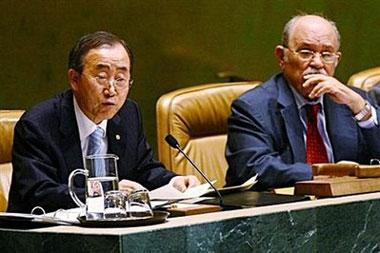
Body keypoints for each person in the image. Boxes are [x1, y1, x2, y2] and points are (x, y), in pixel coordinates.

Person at [8, 31, 199, 213]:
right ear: (74, 79)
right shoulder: (38, 124)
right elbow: (40, 194)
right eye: (101, 77)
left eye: (121, 79)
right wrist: (105, 193)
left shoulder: (128, 114)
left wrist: (174, 182)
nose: (111, 89)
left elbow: (144, 168)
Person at [225, 14, 380, 190]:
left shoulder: (354, 101)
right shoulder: (253, 107)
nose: (317, 63)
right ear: (282, 57)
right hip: (283, 209)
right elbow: (253, 168)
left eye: (327, 55)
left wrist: (362, 110)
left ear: (337, 60)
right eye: (306, 53)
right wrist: (326, 172)